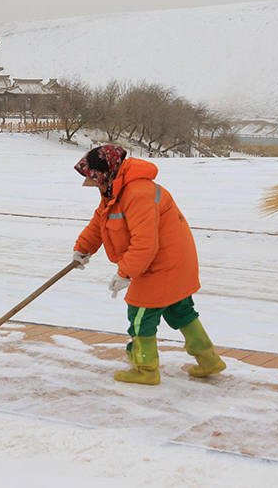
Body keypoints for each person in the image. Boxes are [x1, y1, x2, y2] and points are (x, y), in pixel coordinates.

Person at [71, 145, 225, 385]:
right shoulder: (115, 190)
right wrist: (82, 249)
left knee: (141, 314)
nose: (97, 186)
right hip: (170, 261)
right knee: (180, 310)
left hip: (162, 264)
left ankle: (146, 370)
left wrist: (125, 273)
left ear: (107, 173)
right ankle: (208, 359)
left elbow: (145, 243)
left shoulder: (138, 193)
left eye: (96, 180)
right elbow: (99, 222)